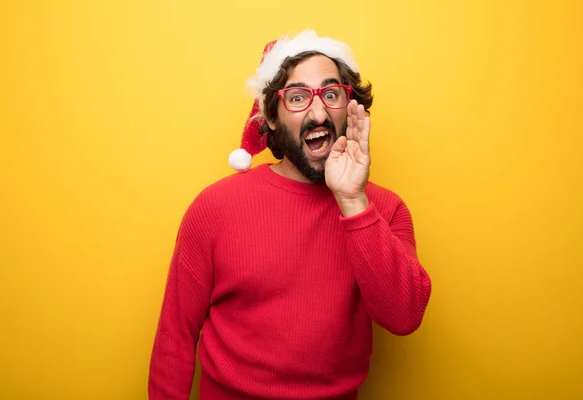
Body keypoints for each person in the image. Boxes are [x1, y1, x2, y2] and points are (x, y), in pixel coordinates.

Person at [148, 29, 432, 400]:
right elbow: (175, 338)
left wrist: (352, 200)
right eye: (297, 98)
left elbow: (404, 316)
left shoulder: (385, 210)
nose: (318, 113)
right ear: (270, 118)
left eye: (331, 94)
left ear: (349, 107)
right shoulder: (214, 208)